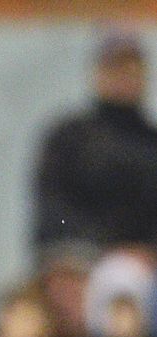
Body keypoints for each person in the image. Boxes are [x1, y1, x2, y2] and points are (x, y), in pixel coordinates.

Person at [33, 29, 157, 253]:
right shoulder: (68, 138)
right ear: (97, 73)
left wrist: (145, 252)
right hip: (78, 258)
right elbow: (53, 209)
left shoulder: (150, 141)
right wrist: (98, 248)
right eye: (114, 68)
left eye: (130, 68)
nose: (123, 77)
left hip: (144, 264)